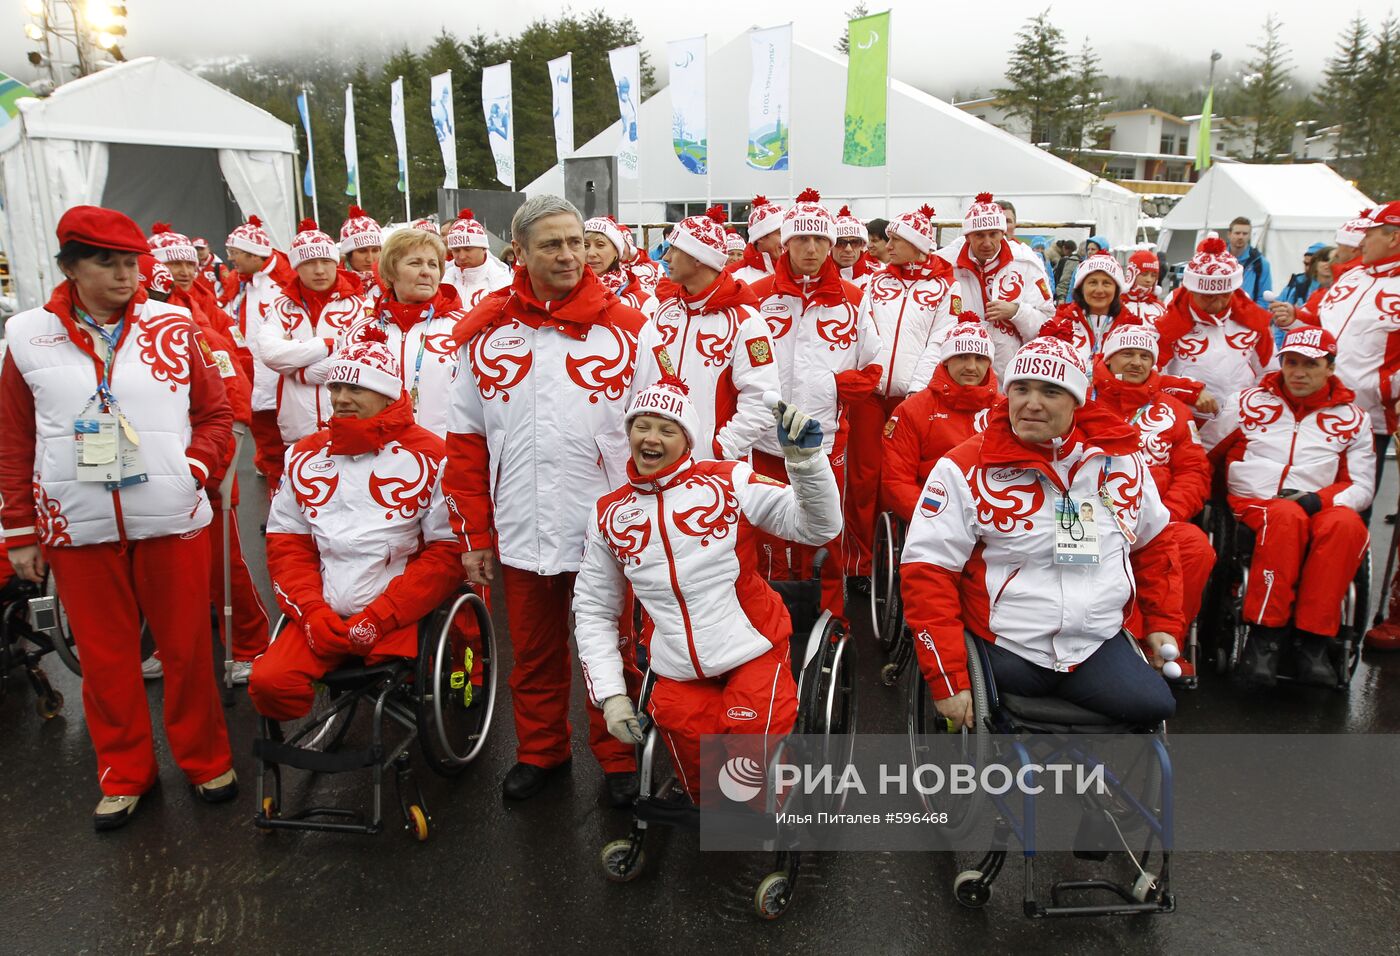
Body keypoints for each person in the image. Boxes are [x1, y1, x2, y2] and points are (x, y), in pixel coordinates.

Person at [0, 205, 238, 829]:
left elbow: (216, 417)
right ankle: (126, 773)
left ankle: (205, 758)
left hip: (171, 517)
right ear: (71, 266)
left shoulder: (176, 325)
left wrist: (193, 470)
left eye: (131, 261)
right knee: (106, 661)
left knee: (187, 649)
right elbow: (14, 439)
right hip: (76, 526)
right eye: (106, 262)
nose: (125, 275)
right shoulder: (27, 337)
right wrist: (20, 529)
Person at [445, 195, 646, 805]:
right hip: (520, 522)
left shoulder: (632, 330)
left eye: (576, 242)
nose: (568, 255)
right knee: (532, 650)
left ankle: (618, 756)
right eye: (551, 245)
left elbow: (664, 426)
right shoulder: (484, 336)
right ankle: (540, 750)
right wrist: (474, 535)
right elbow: (466, 444)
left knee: (611, 644)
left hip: (606, 524)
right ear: (520, 255)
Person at [899, 317, 1181, 726]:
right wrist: (948, 678)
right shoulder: (962, 467)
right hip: (1007, 645)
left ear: (1077, 401)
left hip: (1093, 645)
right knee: (999, 724)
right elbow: (927, 571)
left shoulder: (1122, 462)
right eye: (1021, 389)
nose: (1032, 403)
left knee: (1155, 705)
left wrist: (1163, 624)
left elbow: (1154, 545)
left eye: (1051, 391)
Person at [572, 378, 841, 802]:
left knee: (749, 750)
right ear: (628, 434)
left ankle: (769, 809)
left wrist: (806, 464)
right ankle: (720, 818)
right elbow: (593, 610)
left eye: (667, 428)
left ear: (687, 439)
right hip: (677, 667)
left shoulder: (728, 481)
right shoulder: (608, 514)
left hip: (753, 649)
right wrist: (609, 696)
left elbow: (818, 527)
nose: (651, 438)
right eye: (642, 426)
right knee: (701, 771)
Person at [250, 333, 464, 719]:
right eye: (336, 386)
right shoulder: (303, 454)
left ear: (387, 395)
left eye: (357, 387)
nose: (342, 398)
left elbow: (448, 553)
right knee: (270, 683)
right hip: (322, 615)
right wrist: (312, 613)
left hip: (399, 614)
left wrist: (380, 616)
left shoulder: (432, 454)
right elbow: (287, 545)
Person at [1213, 326, 1374, 686]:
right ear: (1282, 363)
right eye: (1291, 362)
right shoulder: (1248, 402)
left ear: (1330, 368)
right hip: (1258, 500)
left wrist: (1321, 499)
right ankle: (1263, 640)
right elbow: (1208, 451)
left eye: (1311, 365)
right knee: (1285, 517)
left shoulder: (1354, 419)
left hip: (1320, 502)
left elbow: (1362, 486)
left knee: (1346, 526)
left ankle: (1314, 642)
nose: (1299, 372)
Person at [748, 188, 880, 613]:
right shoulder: (757, 295)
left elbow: (872, 368)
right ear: (784, 243)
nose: (811, 248)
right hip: (766, 440)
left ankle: (828, 618)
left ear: (831, 244)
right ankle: (771, 618)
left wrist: (834, 389)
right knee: (768, 532)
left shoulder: (855, 300)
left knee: (824, 530)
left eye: (820, 240)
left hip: (824, 439)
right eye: (801, 239)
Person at [149, 227, 269, 681]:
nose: (180, 272)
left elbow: (233, 389)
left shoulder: (202, 319)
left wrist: (219, 460)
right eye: (170, 264)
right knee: (165, 572)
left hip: (204, 464)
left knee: (223, 562)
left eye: (185, 262)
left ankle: (250, 644)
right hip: (148, 469)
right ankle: (174, 644)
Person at [1093, 316, 1214, 670]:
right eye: (1127, 353)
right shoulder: (1083, 402)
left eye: (1144, 356)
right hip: (1094, 518)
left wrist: (1165, 517)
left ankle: (1161, 643)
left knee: (1195, 548)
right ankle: (1116, 650)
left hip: (1159, 519)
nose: (1136, 362)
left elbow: (1193, 471)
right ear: (1109, 358)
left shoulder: (1173, 411)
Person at [846, 204, 958, 584]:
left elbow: (940, 341)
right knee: (862, 478)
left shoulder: (946, 289)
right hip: (870, 397)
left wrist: (916, 391)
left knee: (905, 480)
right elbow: (862, 332)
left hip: (915, 399)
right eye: (889, 239)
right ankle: (860, 562)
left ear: (919, 245)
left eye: (897, 240)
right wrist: (866, 374)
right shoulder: (874, 283)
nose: (887, 246)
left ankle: (908, 556)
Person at [630, 205, 779, 460]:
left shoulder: (747, 322)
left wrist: (718, 449)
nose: (665, 258)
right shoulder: (664, 312)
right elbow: (644, 381)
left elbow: (763, 401)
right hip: (658, 461)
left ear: (698, 257)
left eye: (674, 250)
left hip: (714, 469)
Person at [343, 227, 465, 438]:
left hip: (445, 455)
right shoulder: (359, 331)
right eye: (415, 263)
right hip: (376, 453)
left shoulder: (463, 327)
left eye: (433, 264)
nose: (426, 271)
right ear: (391, 272)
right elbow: (340, 398)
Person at [258, 219, 370, 446]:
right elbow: (270, 353)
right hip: (296, 421)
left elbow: (358, 358)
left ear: (336, 262)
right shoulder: (281, 306)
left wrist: (300, 371)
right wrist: (326, 346)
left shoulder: (360, 306)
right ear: (296, 266)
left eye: (326, 261)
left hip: (348, 420)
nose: (319, 270)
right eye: (309, 262)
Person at [1156, 235, 1273, 449]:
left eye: (1224, 294)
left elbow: (1271, 373)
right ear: (1192, 290)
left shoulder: (1252, 320)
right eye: (1207, 296)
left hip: (1241, 426)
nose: (1217, 302)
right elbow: (1150, 377)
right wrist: (1188, 391)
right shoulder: (1170, 323)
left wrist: (1250, 406)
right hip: (1187, 425)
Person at [880, 314, 999, 522]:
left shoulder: (1004, 410)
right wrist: (937, 517)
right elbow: (897, 482)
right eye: (962, 356)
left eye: (980, 358)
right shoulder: (912, 410)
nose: (971, 366)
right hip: (935, 518)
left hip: (994, 519)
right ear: (946, 360)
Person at [937, 192, 1055, 379]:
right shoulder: (945, 264)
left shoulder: (1026, 264)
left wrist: (1016, 311)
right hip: (959, 374)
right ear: (967, 236)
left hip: (1009, 374)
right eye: (979, 235)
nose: (987, 243)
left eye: (993, 234)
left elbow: (1047, 323)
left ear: (1003, 233)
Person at [225, 214, 296, 487]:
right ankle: (276, 491)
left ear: (255, 254)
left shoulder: (281, 284)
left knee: (283, 443)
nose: (231, 258)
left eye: (236, 252)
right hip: (251, 376)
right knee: (267, 442)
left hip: (277, 377)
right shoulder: (241, 282)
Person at [584, 216, 656, 316]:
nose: (591, 253)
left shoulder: (644, 304)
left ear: (617, 252)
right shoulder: (561, 295)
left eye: (600, 245)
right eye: (585, 245)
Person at [443, 208, 513, 308]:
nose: (462, 257)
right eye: (456, 250)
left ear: (484, 248)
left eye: (468, 249)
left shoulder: (504, 283)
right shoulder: (442, 280)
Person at [729, 195, 784, 285]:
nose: (787, 240)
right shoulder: (732, 276)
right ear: (761, 237)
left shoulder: (801, 270)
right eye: (781, 233)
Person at [1226, 216, 1274, 307]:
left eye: (1245, 234)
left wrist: (1250, 314)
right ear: (1229, 234)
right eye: (1237, 233)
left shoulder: (1261, 263)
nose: (1241, 237)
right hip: (1220, 314)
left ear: (1249, 236)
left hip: (1246, 316)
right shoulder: (1218, 259)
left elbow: (1264, 298)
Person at [339, 205, 384, 300]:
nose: (370, 258)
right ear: (348, 255)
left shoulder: (394, 280)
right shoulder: (335, 284)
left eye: (375, 250)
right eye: (362, 251)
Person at [833, 205, 876, 290]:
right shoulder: (814, 276)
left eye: (854, 242)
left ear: (863, 245)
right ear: (831, 245)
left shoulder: (877, 276)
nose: (848, 249)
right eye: (841, 243)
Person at [1123, 249, 1167, 323]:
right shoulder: (1117, 305)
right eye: (1144, 274)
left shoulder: (1160, 308)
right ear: (1132, 274)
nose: (1149, 280)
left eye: (1153, 275)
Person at [1280, 242, 1327, 308]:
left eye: (1311, 264)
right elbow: (1281, 301)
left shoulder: (1332, 286)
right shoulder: (1297, 282)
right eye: (1305, 264)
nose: (1307, 268)